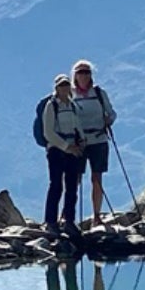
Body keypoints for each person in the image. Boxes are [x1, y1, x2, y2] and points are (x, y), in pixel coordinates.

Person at [67, 60, 118, 220]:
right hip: (78, 142)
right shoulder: (69, 95)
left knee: (97, 178)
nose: (84, 75)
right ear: (75, 75)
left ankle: (96, 215)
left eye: (87, 72)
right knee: (75, 179)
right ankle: (68, 216)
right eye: (81, 72)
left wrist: (108, 120)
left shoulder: (99, 93)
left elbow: (112, 113)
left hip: (98, 139)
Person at [40, 73, 85, 234]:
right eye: (61, 85)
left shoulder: (72, 106)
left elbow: (78, 126)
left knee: (72, 187)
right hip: (56, 151)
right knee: (56, 185)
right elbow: (48, 133)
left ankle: (69, 221)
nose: (64, 88)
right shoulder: (51, 106)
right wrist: (67, 146)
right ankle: (51, 222)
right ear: (56, 88)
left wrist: (82, 141)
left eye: (66, 85)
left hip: (72, 149)